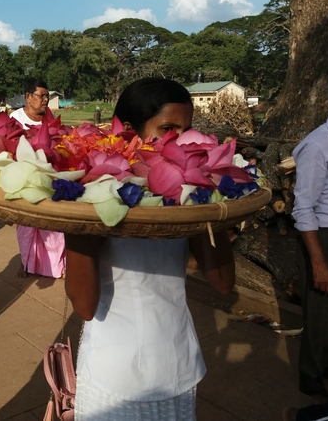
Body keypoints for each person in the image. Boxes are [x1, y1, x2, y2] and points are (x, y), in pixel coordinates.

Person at [65, 78, 236, 420]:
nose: (180, 140)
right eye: (168, 128)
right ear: (128, 132)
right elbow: (84, 306)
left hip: (177, 363)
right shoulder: (100, 193)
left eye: (186, 130)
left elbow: (222, 283)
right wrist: (78, 223)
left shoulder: (182, 196)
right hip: (116, 374)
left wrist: (206, 202)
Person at [292, 65, 328, 398]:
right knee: (323, 309)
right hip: (327, 235)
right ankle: (310, 372)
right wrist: (319, 262)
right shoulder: (318, 145)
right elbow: (302, 207)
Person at [11, 78, 65, 279]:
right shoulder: (15, 119)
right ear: (28, 97)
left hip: (49, 177)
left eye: (47, 96)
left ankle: (58, 266)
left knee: (53, 225)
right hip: (24, 179)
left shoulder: (51, 119)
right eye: (41, 95)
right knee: (26, 225)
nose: (45, 100)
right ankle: (26, 262)